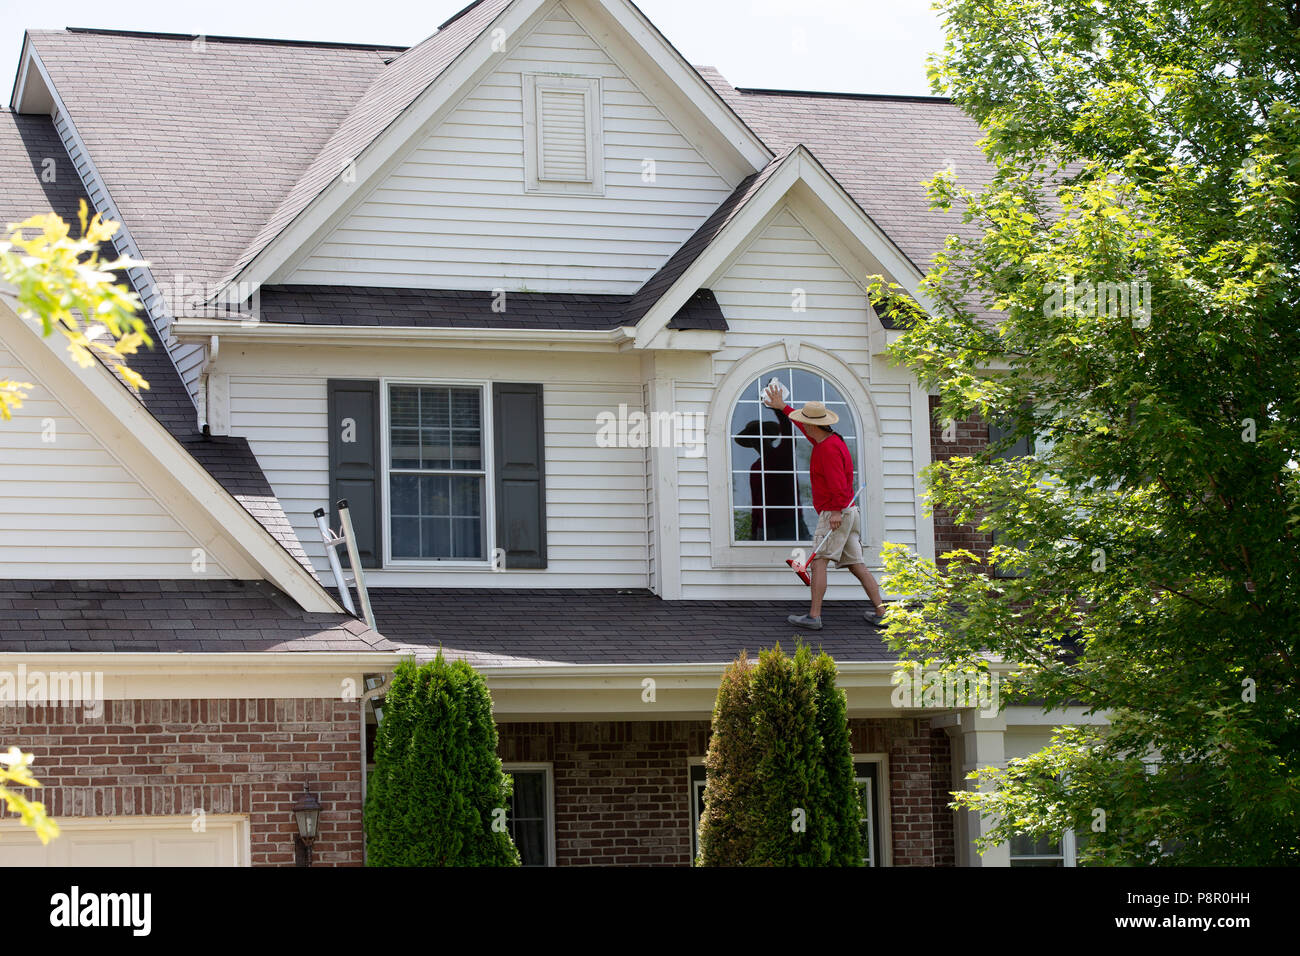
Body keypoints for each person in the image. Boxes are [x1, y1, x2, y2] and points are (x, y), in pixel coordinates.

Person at [763, 382, 888, 629]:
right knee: (856, 564)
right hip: (849, 512)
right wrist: (783, 408)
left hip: (837, 512)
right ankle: (881, 612)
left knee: (819, 561)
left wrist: (835, 512)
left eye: (805, 422)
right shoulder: (829, 439)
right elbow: (803, 428)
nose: (804, 426)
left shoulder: (827, 450)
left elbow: (838, 484)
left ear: (813, 424)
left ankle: (814, 616)